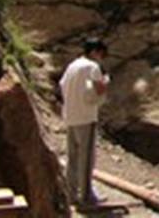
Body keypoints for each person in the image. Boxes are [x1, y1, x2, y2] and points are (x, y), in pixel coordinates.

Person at [59, 38, 110, 209]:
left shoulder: (72, 66)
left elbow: (62, 85)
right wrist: (106, 81)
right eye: (101, 55)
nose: (101, 59)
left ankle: (71, 194)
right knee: (86, 159)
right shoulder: (92, 67)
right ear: (95, 52)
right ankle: (86, 197)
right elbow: (99, 88)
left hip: (70, 116)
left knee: (73, 158)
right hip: (85, 117)